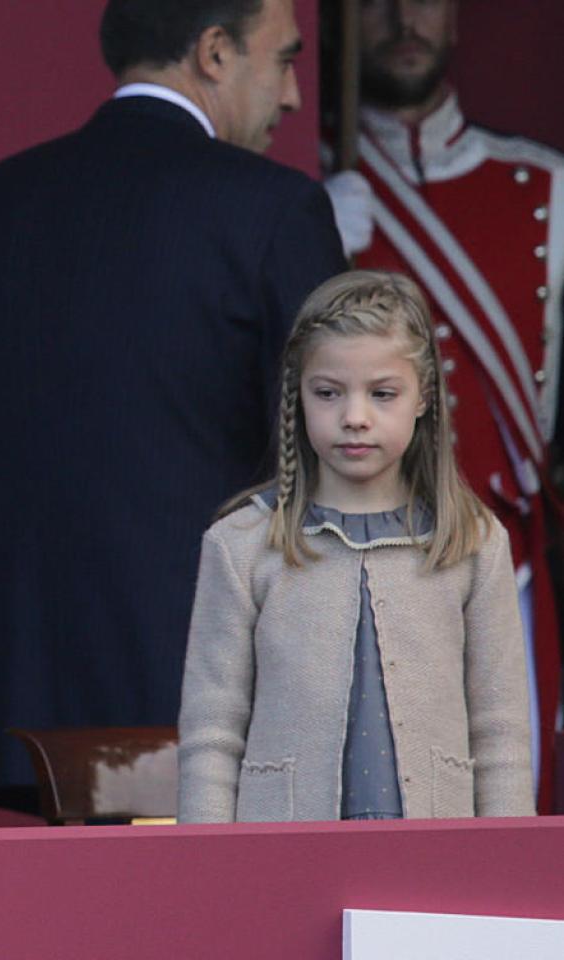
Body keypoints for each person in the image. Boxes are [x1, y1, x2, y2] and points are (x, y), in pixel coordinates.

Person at [0, 0, 345, 806]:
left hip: (1, 726)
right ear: (214, 52)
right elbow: (333, 474)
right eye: (283, 61)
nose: (291, 98)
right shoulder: (277, 213)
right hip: (215, 729)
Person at [178, 270, 533, 822]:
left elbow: (501, 735)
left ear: (424, 398)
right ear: (298, 394)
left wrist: (505, 874)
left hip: (435, 869)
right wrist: (208, 877)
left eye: (383, 393)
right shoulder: (241, 544)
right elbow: (211, 735)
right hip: (283, 865)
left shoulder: (473, 542)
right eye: (328, 393)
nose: (354, 417)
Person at [322, 0, 561, 809]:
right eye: (374, 4)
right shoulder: (311, 187)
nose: (400, 18)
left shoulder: (545, 188)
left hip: (506, 560)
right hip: (351, 558)